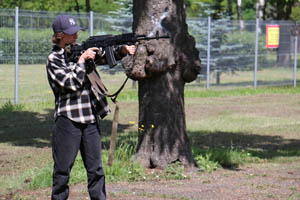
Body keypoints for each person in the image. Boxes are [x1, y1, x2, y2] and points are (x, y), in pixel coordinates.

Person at [46, 15, 136, 200]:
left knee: (96, 170)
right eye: (71, 34)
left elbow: (103, 57)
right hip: (68, 121)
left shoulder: (81, 52)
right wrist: (81, 62)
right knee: (62, 172)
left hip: (90, 119)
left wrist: (122, 50)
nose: (75, 36)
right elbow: (70, 83)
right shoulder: (54, 59)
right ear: (59, 36)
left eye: (76, 32)